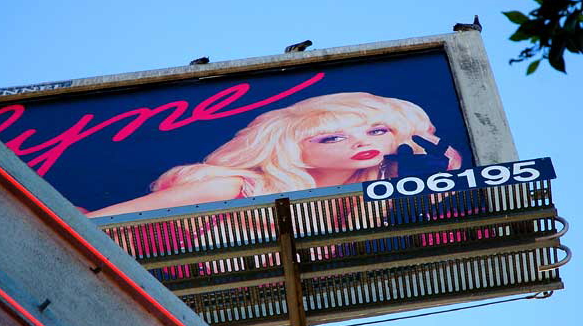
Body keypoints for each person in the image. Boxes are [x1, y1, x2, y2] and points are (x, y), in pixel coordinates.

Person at [87, 92, 461, 218]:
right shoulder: (236, 187)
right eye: (330, 138)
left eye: (377, 131)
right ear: (288, 150)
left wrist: (440, 169)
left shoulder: (359, 208)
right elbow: (101, 224)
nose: (358, 143)